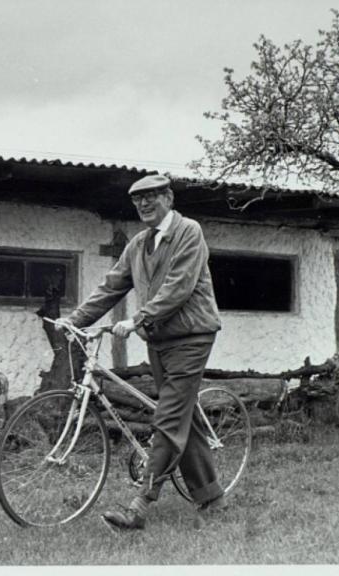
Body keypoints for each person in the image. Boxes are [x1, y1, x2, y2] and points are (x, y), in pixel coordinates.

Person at [56, 173, 226, 531]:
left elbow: (179, 287)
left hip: (192, 337)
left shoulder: (188, 232)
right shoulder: (138, 244)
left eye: (152, 197)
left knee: (167, 418)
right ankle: (210, 495)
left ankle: (140, 505)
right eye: (138, 200)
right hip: (160, 340)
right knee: (182, 417)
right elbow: (111, 286)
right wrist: (75, 319)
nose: (144, 204)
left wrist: (137, 319)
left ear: (169, 198)